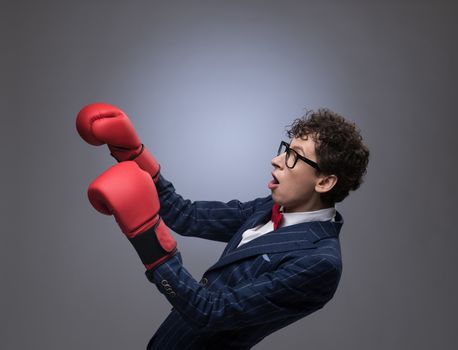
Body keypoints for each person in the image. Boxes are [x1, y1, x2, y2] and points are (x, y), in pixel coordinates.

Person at [76, 103, 370, 349]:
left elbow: (211, 311)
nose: (276, 160)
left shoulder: (320, 263)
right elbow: (186, 215)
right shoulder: (270, 207)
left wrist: (147, 239)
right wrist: (132, 153)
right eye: (285, 149)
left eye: (294, 156)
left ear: (324, 181)